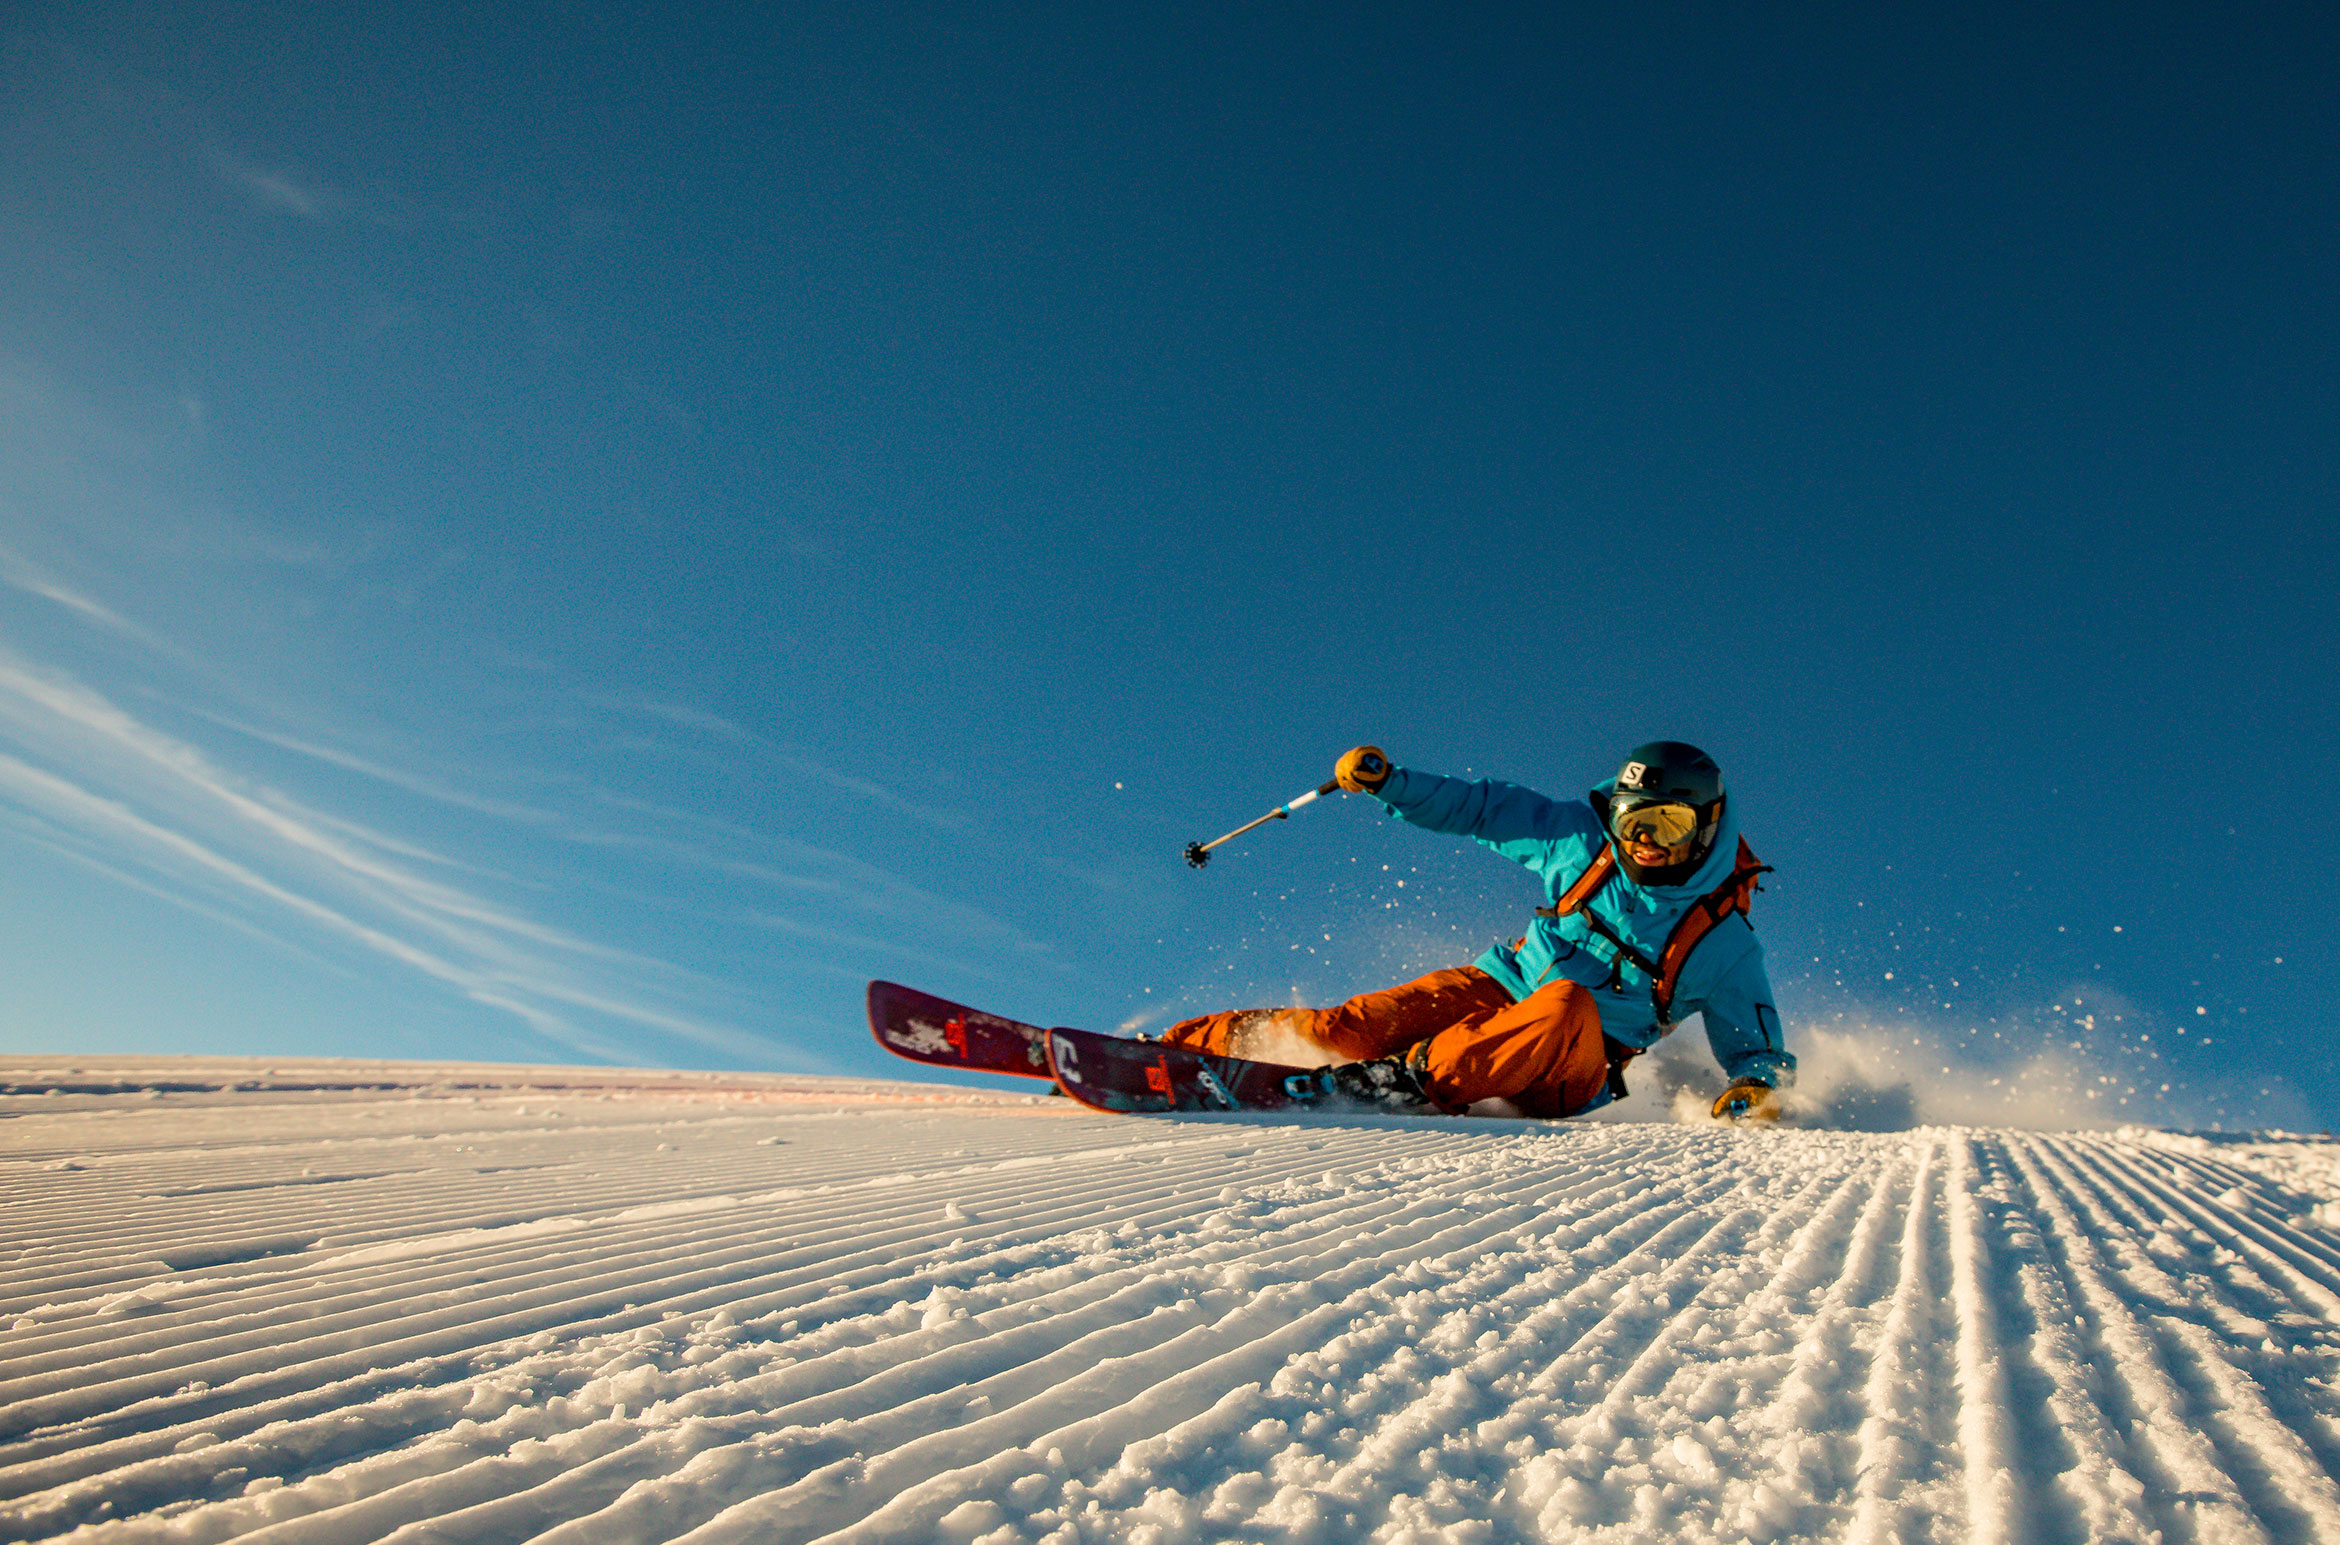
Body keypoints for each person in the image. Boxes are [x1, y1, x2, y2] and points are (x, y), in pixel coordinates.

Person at [1160, 741, 1794, 1121]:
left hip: (1571, 1061)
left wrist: (1755, 1089)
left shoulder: (1725, 944)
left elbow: (1758, 1052)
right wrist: (1391, 783)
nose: (1646, 843)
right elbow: (1479, 810)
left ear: (1708, 825)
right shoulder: (1580, 842)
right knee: (1345, 1029)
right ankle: (1178, 1046)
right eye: (1633, 823)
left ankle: (1392, 1084)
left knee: (1566, 1001)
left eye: (1669, 825)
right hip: (1504, 984)